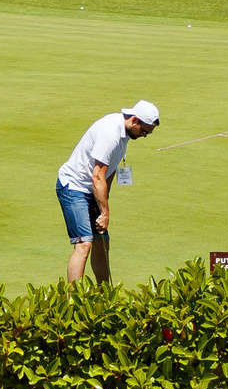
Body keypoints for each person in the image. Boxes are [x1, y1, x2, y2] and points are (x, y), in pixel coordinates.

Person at [55, 101, 160, 284]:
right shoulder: (110, 133)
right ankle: (73, 303)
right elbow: (97, 176)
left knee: (102, 243)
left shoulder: (125, 132)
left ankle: (103, 296)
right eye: (145, 131)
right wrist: (104, 212)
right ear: (135, 120)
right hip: (74, 188)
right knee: (84, 244)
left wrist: (104, 201)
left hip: (91, 190)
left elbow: (109, 171)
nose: (145, 135)